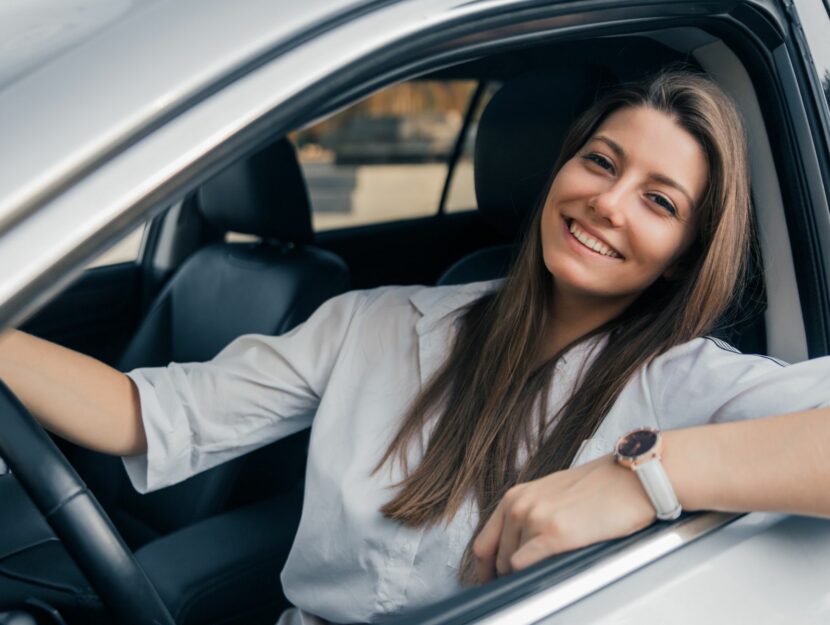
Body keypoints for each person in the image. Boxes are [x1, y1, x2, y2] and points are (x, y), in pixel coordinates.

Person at [1, 70, 829, 625]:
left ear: (688, 249)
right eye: (599, 161)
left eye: (658, 199)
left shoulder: (689, 386)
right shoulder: (377, 322)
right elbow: (146, 414)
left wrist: (647, 477)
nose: (608, 203)